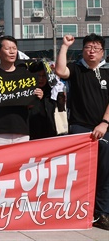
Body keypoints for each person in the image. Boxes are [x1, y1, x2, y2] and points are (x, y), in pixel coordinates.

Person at [55, 33, 109, 231]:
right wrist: (65, 46)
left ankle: (102, 212)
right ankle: (74, 210)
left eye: (96, 47)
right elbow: (60, 70)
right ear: (83, 50)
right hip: (79, 127)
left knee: (105, 170)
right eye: (88, 47)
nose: (91, 50)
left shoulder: (107, 71)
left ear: (102, 51)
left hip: (104, 127)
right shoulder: (77, 69)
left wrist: (104, 123)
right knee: (78, 169)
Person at [0, 36, 43, 147]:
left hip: (21, 129)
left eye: (14, 48)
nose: (12, 52)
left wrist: (37, 95)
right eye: (7, 48)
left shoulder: (24, 72)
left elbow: (29, 101)